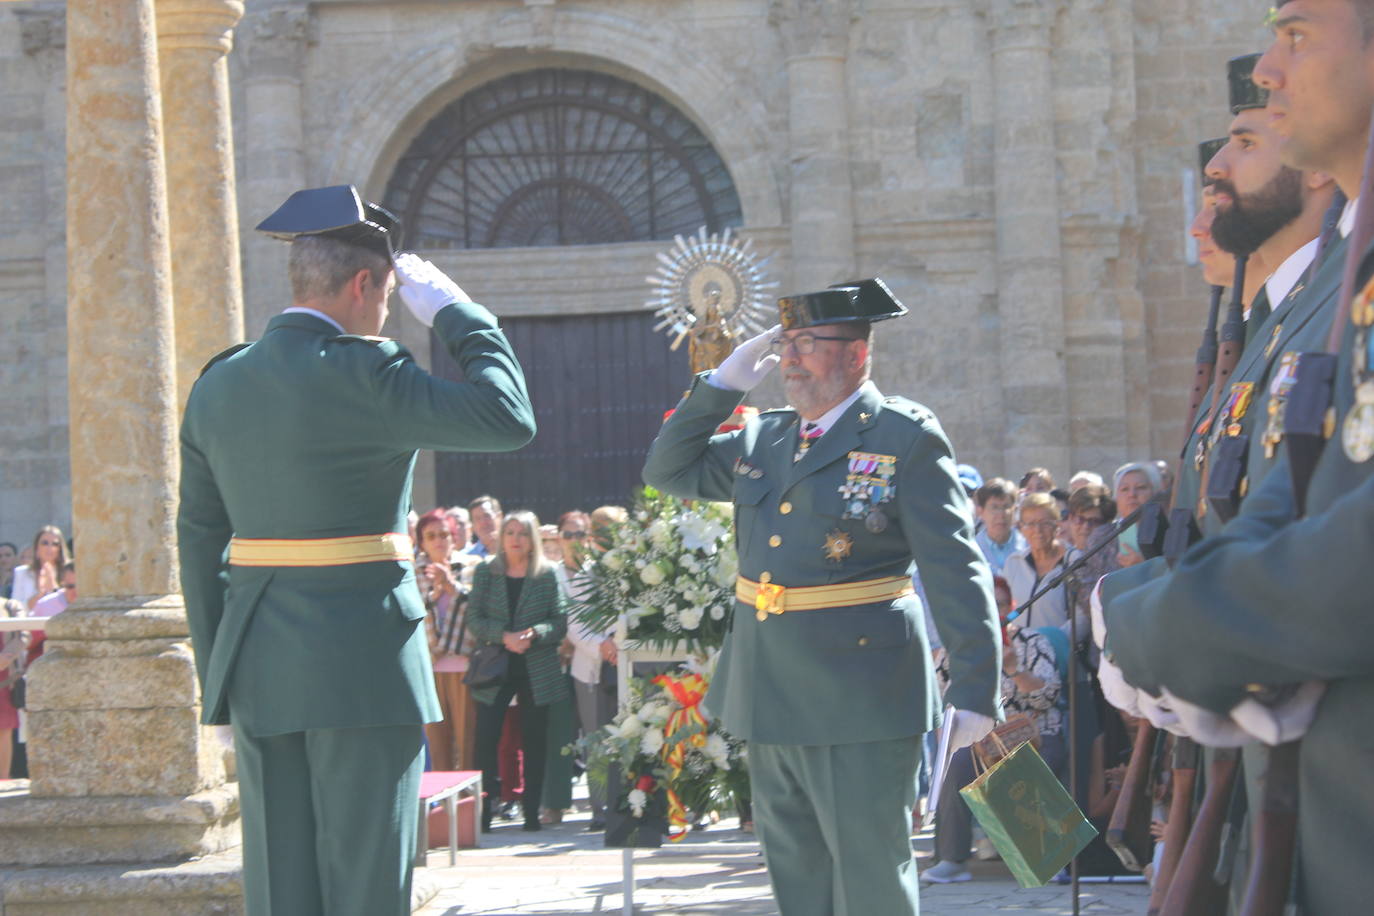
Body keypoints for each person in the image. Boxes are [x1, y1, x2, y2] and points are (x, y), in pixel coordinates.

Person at [177, 184, 535, 916]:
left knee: (280, 881)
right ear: (364, 283)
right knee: (368, 874)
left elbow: (200, 537)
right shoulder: (373, 372)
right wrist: (464, 319)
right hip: (365, 656)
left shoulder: (218, 383)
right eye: (389, 296)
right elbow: (509, 416)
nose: (385, 312)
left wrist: (222, 669)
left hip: (258, 662)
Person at [1099, 8, 1374, 911]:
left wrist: (1164, 631)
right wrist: (1149, 612)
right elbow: (1286, 503)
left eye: (1298, 34)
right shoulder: (1337, 285)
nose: (1268, 65)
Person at [642, 277, 1001, 915]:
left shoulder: (903, 437)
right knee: (794, 873)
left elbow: (955, 566)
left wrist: (975, 686)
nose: (791, 357)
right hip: (771, 685)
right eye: (787, 342)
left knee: (869, 873)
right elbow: (666, 469)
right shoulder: (765, 439)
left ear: (857, 354)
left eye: (809, 342)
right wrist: (720, 385)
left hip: (860, 695)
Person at [927, 576, 1065, 883]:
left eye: (1000, 603)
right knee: (956, 763)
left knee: (1038, 758)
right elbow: (939, 701)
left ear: (1011, 607)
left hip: (1032, 733)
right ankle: (952, 860)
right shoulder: (959, 649)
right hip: (979, 740)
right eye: (986, 603)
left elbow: (1048, 696)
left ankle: (1050, 858)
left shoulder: (1033, 642)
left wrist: (1016, 671)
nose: (993, 610)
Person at [467, 510, 569, 832]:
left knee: (534, 740)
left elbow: (559, 622)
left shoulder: (547, 574)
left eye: (522, 533)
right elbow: (475, 619)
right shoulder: (486, 571)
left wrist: (534, 633)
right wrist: (504, 636)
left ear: (533, 539)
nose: (515, 539)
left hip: (535, 666)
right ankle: (483, 813)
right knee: (486, 739)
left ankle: (530, 815)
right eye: (510, 532)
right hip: (495, 666)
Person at [558, 510, 616, 830]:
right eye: (570, 535)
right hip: (587, 666)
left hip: (616, 662)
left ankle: (624, 798)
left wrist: (614, 642)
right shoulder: (565, 576)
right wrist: (602, 645)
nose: (576, 541)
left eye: (581, 534)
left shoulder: (602, 569)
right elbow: (574, 624)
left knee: (619, 734)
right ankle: (600, 805)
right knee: (594, 738)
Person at [416, 509, 475, 771]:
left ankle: (470, 807)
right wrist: (435, 591)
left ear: (454, 538)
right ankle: (441, 809)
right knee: (438, 749)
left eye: (444, 534)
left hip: (466, 667)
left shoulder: (473, 567)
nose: (438, 541)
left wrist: (454, 586)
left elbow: (482, 610)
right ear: (422, 543)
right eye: (431, 536)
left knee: (468, 745)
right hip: (429, 668)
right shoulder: (411, 573)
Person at [1002, 492, 1079, 634]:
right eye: (1030, 524)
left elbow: (1082, 618)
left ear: (1057, 525)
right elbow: (1004, 609)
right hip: (1018, 651)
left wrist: (1052, 642)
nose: (1037, 530)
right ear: (1021, 529)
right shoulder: (1014, 563)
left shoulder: (1074, 561)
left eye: (1045, 523)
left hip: (1057, 650)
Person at [971, 478, 1026, 576]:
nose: (1001, 514)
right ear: (981, 512)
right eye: (994, 507)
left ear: (1015, 510)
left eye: (1006, 507)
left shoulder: (1028, 545)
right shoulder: (972, 550)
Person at [1110, 461, 1160, 566]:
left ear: (1155, 494)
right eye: (1125, 489)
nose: (1132, 494)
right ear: (1116, 498)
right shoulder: (1103, 536)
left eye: (1141, 487)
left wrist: (1145, 565)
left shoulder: (1169, 532)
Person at [9, 526, 69, 612]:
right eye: (45, 543)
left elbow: (70, 605)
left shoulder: (69, 572)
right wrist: (41, 594)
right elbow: (17, 607)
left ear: (60, 549)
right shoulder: (21, 572)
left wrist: (54, 587)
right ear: (37, 547)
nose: (49, 548)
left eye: (55, 544)